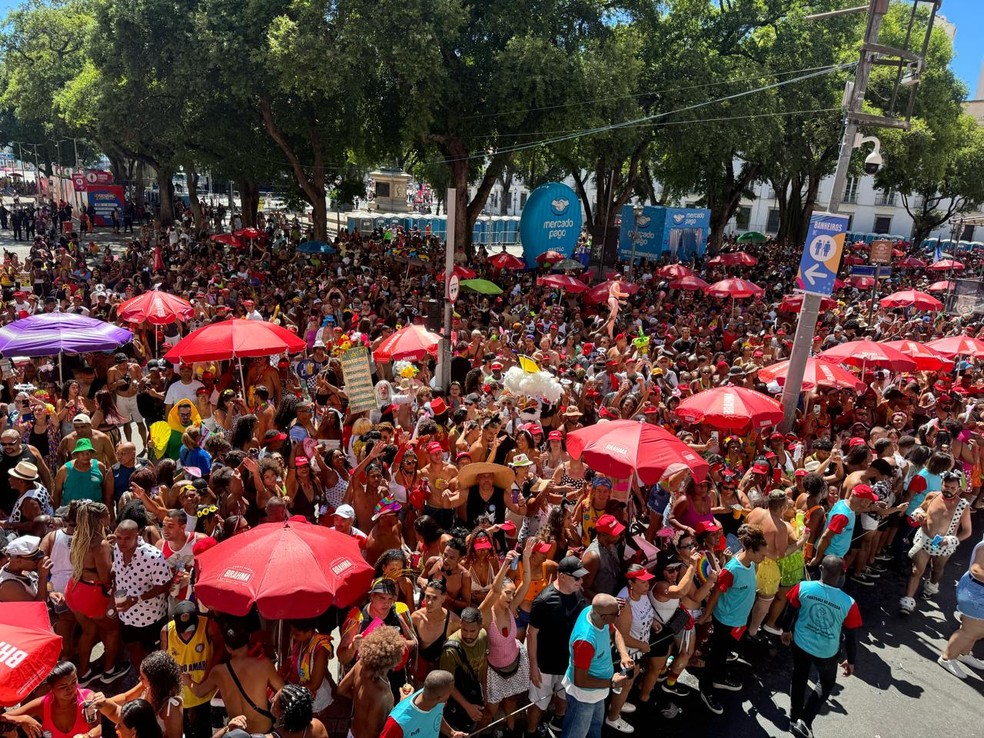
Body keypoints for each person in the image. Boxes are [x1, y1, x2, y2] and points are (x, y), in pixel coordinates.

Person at [778, 555, 863, 738]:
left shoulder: (803, 587)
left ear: (821, 569)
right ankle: (805, 721)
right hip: (827, 653)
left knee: (799, 677)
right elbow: (851, 637)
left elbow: (789, 612)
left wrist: (786, 631)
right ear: (842, 575)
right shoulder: (849, 604)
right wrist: (852, 660)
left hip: (800, 644)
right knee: (826, 683)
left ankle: (794, 718)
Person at [697, 524, 768, 715]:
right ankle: (706, 689)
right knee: (715, 655)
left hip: (739, 621)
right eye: (761, 554)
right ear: (751, 550)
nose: (764, 557)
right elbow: (715, 595)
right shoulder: (731, 570)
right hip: (726, 622)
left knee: (723, 652)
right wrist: (706, 615)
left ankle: (719, 678)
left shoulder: (751, 564)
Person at [183, 621, 285, 733]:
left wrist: (187, 680)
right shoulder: (264, 665)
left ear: (227, 647)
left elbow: (199, 692)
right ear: (248, 640)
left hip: (237, 733)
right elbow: (284, 693)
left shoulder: (218, 672)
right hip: (263, 733)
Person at [526, 555, 588, 738]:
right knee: (538, 704)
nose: (581, 581)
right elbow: (531, 634)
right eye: (577, 578)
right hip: (545, 665)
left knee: (563, 700)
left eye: (581, 577)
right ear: (562, 576)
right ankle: (530, 733)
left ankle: (556, 725)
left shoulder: (579, 595)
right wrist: (533, 667)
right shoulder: (543, 601)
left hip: (568, 663)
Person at [900, 469, 973, 615]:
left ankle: (931, 586)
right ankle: (907, 602)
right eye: (946, 486)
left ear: (958, 488)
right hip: (925, 539)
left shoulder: (963, 506)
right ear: (942, 483)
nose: (949, 490)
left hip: (944, 546)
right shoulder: (932, 496)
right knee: (916, 571)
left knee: (936, 570)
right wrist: (919, 514)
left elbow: (967, 531)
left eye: (953, 488)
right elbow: (921, 508)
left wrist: (951, 539)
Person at [560, 593, 634, 738]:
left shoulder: (593, 612)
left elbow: (614, 631)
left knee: (595, 727)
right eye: (616, 613)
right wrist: (612, 683)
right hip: (584, 697)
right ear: (605, 617)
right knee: (575, 734)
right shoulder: (585, 641)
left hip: (598, 692)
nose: (619, 615)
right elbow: (580, 680)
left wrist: (624, 654)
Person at [66, 502, 122, 685]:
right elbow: (106, 578)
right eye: (107, 514)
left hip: (75, 589)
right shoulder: (101, 544)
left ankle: (83, 673)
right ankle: (109, 671)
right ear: (99, 519)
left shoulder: (77, 537)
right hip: (93, 594)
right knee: (113, 629)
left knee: (88, 631)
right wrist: (119, 565)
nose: (109, 517)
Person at [112, 519, 174, 669]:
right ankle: (141, 678)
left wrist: (138, 598)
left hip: (150, 616)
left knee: (151, 653)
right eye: (119, 537)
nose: (122, 542)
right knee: (132, 647)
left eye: (127, 538)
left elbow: (165, 584)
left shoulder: (153, 556)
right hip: (126, 615)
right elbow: (117, 575)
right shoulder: (116, 549)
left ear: (137, 535)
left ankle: (153, 682)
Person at [161, 601, 222, 738]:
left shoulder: (208, 625)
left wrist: (211, 672)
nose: (187, 634)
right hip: (179, 696)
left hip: (204, 693)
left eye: (190, 628)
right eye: (183, 629)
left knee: (203, 732)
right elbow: (164, 661)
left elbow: (219, 647)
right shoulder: (166, 632)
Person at [336, 625, 408, 738]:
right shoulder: (383, 694)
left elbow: (341, 689)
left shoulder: (361, 664)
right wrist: (403, 703)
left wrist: (359, 699)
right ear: (395, 659)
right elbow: (372, 732)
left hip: (352, 733)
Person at [3, 662, 99, 738]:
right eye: (63, 686)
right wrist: (23, 719)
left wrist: (87, 736)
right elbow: (3, 717)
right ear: (50, 687)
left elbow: (98, 727)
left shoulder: (87, 699)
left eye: (74, 682)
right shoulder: (42, 704)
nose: (70, 689)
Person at [938, 531, 984, 678]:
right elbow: (976, 569)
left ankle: (963, 653)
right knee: (969, 630)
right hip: (975, 593)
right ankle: (947, 658)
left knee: (978, 630)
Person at [438, 607, 488, 734]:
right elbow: (448, 685)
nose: (468, 635)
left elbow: (484, 663)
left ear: (480, 626)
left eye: (472, 631)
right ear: (460, 623)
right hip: (457, 701)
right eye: (464, 630)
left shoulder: (483, 636)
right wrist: (468, 707)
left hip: (474, 692)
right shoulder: (450, 651)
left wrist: (485, 690)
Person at [380, 670, 467, 738]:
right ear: (439, 697)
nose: (451, 694)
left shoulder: (436, 698)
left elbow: (436, 717)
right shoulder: (398, 722)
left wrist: (452, 733)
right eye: (450, 692)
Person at [0, 534, 50, 603]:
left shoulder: (22, 570)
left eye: (40, 554)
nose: (39, 560)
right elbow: (37, 608)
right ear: (18, 561)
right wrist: (43, 577)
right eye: (35, 558)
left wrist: (50, 594)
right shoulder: (10, 586)